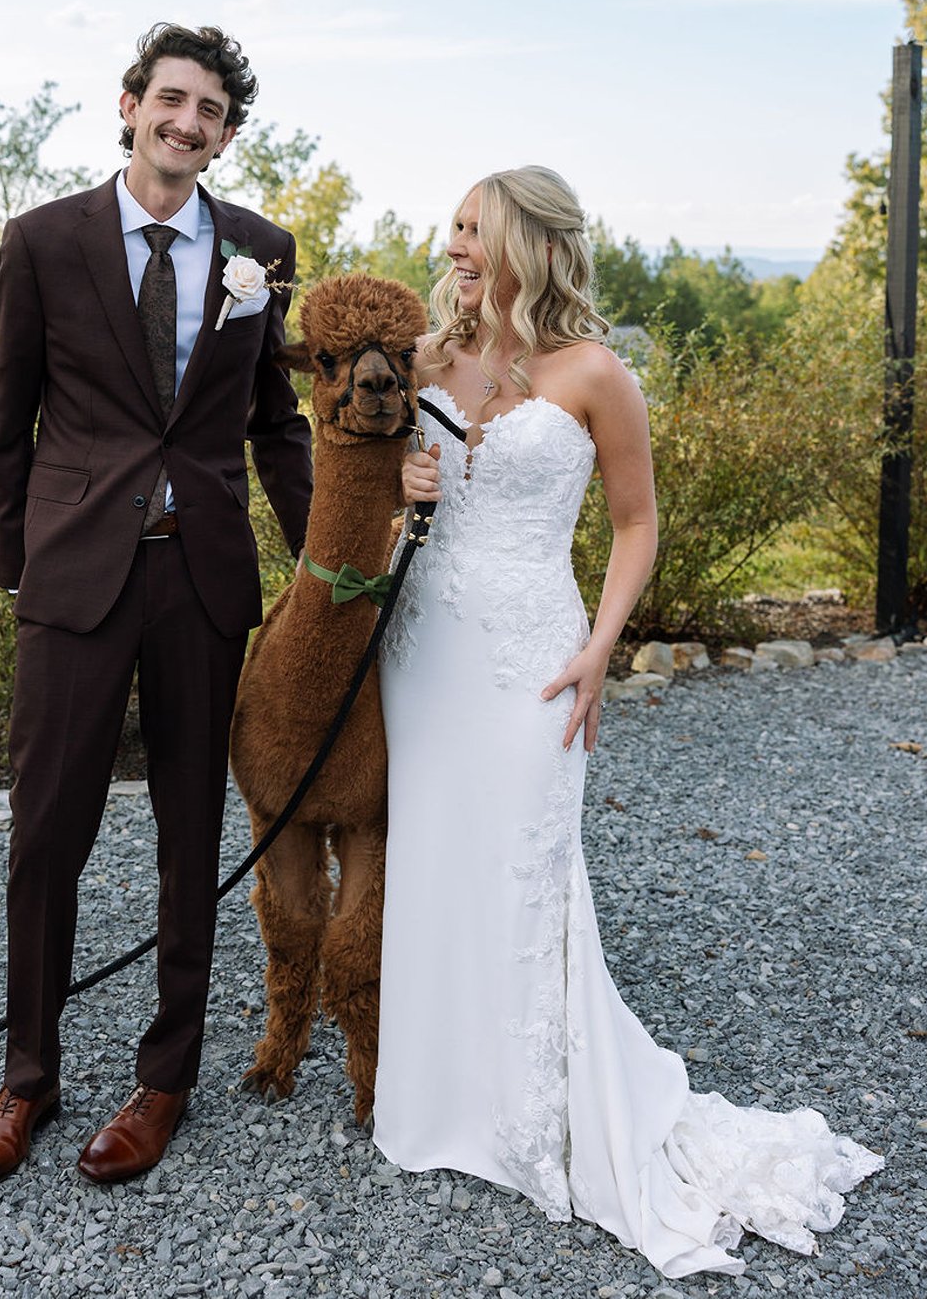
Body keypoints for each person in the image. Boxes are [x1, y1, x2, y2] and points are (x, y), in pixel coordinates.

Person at [373, 166, 881, 1279]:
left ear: (534, 245)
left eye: (477, 230)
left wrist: (602, 647)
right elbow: (368, 480)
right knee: (437, 860)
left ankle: (538, 1114)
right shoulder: (426, 358)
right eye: (452, 227)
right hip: (426, 656)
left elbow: (636, 521)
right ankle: (439, 1101)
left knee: (524, 869)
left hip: (535, 657)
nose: (455, 246)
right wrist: (402, 484)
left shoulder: (594, 372)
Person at [0, 23, 313, 1189]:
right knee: (47, 832)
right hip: (76, 575)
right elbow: (3, 421)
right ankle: (27, 1082)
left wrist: (319, 566)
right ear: (129, 105)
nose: (188, 123)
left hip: (201, 576)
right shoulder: (43, 242)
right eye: (173, 100)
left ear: (224, 132)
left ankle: (166, 1081)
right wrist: (22, 565)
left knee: (186, 835)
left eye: (210, 110)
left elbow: (274, 422)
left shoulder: (261, 251)